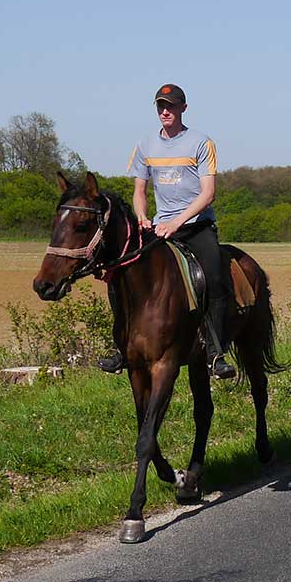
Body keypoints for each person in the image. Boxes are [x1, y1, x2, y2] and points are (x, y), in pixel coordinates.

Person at [96, 83, 236, 379]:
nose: (165, 111)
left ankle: (215, 352)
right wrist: (142, 216)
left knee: (212, 277)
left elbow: (207, 194)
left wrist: (177, 222)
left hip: (196, 226)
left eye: (171, 106)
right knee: (118, 275)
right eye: (161, 106)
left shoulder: (201, 142)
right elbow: (139, 190)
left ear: (183, 108)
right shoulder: (145, 145)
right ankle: (122, 348)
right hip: (159, 228)